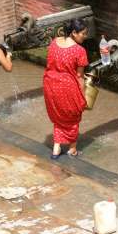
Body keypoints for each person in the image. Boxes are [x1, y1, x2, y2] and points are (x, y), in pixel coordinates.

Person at [43, 18, 89, 159]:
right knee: (73, 117)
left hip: (50, 85)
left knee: (59, 117)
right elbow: (79, 75)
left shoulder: (54, 42)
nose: (85, 36)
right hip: (67, 87)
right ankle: (72, 149)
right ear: (74, 33)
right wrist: (84, 97)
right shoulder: (79, 51)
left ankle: (56, 148)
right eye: (84, 33)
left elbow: (50, 63)